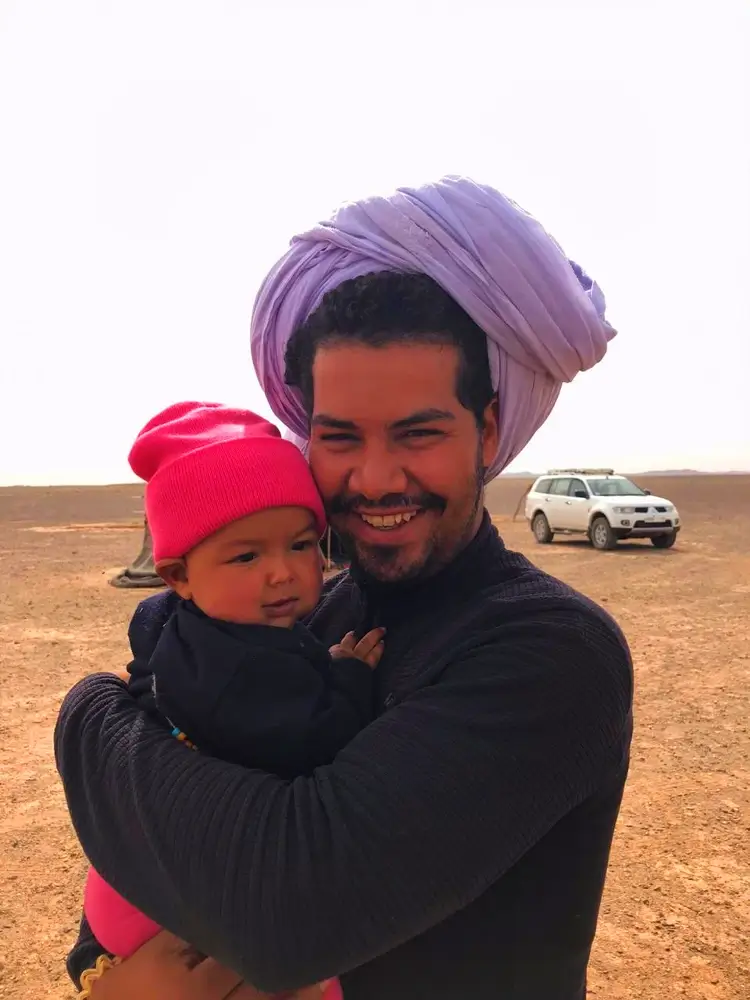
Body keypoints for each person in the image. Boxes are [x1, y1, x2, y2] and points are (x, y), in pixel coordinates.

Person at [56, 176, 633, 1000]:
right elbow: (152, 848)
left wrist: (86, 715)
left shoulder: (551, 649)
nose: (375, 477)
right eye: (339, 438)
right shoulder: (316, 608)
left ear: (491, 428)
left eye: (418, 433)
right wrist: (102, 975)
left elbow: (290, 907)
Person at [76, 401, 384, 1000]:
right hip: (166, 915)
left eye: (300, 545)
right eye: (246, 555)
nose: (284, 573)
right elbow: (315, 739)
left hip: (125, 879)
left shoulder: (175, 628)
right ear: (177, 575)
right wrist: (348, 676)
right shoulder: (242, 666)